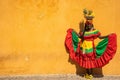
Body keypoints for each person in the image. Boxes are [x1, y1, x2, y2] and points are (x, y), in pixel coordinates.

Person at [65, 9, 117, 79]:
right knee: (86, 61)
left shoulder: (94, 31)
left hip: (91, 49)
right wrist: (73, 31)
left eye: (89, 24)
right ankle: (87, 73)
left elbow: (100, 37)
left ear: (92, 25)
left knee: (91, 61)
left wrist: (108, 36)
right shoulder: (83, 31)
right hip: (84, 48)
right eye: (87, 24)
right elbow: (81, 37)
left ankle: (90, 74)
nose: (88, 26)